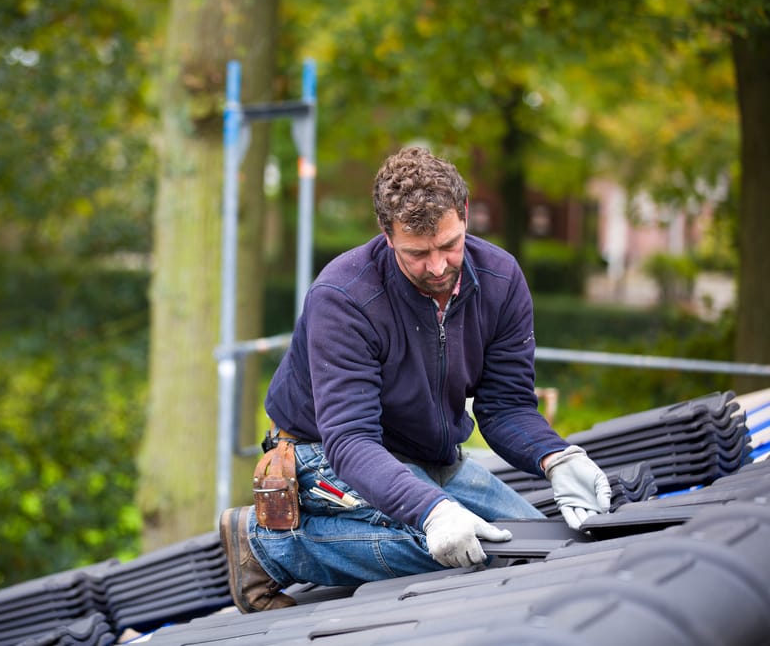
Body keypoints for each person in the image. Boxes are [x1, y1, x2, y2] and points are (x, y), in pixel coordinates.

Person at [219, 146, 611, 613]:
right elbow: (350, 440)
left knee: (540, 549)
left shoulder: (501, 279)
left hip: (430, 456)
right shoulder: (344, 297)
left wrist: (555, 457)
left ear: (464, 214)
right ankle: (269, 547)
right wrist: (435, 511)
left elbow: (505, 407)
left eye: (449, 245)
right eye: (417, 253)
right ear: (387, 235)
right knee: (474, 554)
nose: (439, 266)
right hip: (321, 450)